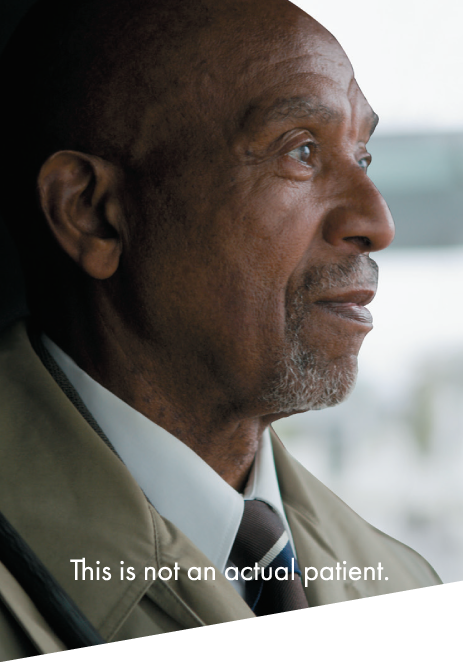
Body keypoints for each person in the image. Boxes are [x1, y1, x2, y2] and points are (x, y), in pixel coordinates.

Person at [0, 0, 440, 651]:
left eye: (363, 157)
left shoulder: (408, 591)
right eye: (302, 150)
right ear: (92, 212)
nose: (376, 222)